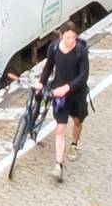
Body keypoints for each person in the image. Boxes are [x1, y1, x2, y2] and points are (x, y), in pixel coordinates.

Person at [39, 18, 91, 182]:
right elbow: (48, 67)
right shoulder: (54, 48)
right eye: (68, 38)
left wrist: (67, 88)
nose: (71, 41)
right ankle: (58, 165)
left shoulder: (81, 51)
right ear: (61, 36)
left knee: (77, 122)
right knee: (60, 129)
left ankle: (74, 144)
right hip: (60, 95)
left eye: (73, 38)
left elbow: (83, 76)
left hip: (77, 94)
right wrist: (41, 83)